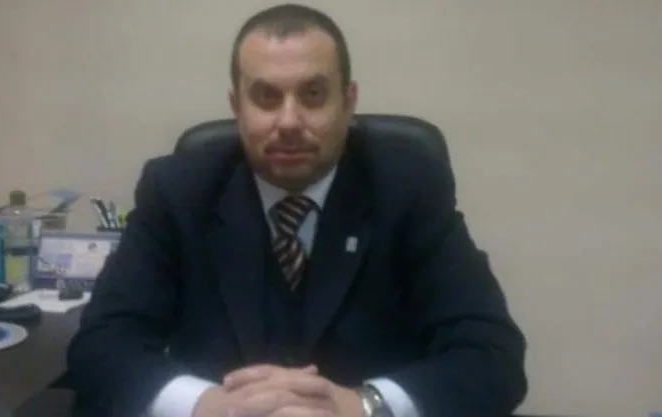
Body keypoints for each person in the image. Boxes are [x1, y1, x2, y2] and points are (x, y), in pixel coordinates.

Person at [66, 4, 527, 417]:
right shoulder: (178, 190)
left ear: (348, 102)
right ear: (236, 107)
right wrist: (209, 406)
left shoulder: (409, 185)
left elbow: (491, 355)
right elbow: (102, 346)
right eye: (266, 97)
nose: (288, 122)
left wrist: (362, 406)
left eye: (313, 94)